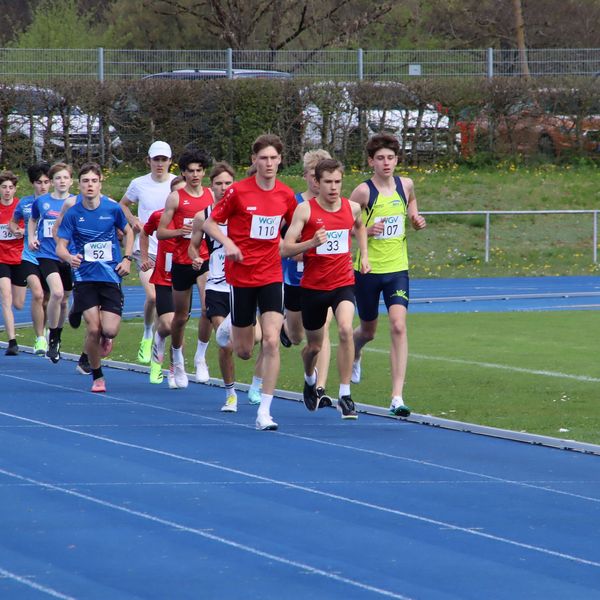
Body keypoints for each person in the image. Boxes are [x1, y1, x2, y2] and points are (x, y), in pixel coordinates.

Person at [202, 133, 297, 431]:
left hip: (271, 274)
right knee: (243, 351)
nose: (268, 163)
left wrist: (297, 246)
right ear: (254, 160)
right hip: (241, 276)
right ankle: (229, 326)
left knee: (271, 341)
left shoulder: (286, 195)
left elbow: (294, 227)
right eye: (263, 158)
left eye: (273, 158)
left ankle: (264, 412)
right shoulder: (238, 192)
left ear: (280, 160)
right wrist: (228, 243)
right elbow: (209, 223)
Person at [282, 158, 370, 419]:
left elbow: (360, 226)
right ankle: (310, 379)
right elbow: (285, 249)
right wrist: (310, 243)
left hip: (343, 283)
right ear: (317, 183)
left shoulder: (352, 207)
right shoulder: (305, 211)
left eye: (337, 182)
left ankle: (345, 395)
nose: (333, 187)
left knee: (345, 329)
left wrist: (364, 256)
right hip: (313, 288)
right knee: (313, 348)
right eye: (328, 182)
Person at [349, 133, 426, 417]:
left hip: (397, 269)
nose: (386, 163)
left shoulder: (406, 185)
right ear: (371, 161)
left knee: (398, 325)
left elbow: (412, 204)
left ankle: (397, 397)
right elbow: (341, 223)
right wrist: (365, 231)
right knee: (368, 331)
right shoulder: (362, 192)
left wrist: (416, 219)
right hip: (368, 270)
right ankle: (356, 350)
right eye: (380, 158)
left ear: (397, 160)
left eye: (390, 158)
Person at [56, 163, 133, 393]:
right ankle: (97, 376)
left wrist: (127, 258)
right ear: (79, 185)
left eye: (94, 181)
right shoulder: (73, 213)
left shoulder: (112, 209)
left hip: (110, 276)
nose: (90, 185)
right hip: (84, 277)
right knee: (93, 329)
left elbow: (129, 231)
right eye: (85, 181)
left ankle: (103, 333)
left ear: (100, 183)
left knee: (109, 330)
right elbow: (60, 246)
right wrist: (69, 257)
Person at [281, 149, 335, 406]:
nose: (317, 181)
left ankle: (320, 387)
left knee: (323, 331)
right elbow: (277, 238)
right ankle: (284, 327)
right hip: (295, 278)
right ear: (306, 176)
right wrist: (296, 251)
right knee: (296, 337)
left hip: (326, 279)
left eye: (321, 176)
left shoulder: (335, 203)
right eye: (313, 175)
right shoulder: (294, 204)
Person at [156, 148, 213, 389]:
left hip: (205, 260)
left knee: (208, 309)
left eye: (199, 170)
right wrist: (180, 231)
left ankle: (200, 357)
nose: (195, 175)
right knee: (180, 317)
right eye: (191, 171)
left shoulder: (211, 196)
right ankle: (177, 359)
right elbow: (160, 232)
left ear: (204, 172)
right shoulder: (175, 198)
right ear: (183, 173)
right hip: (181, 262)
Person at [119, 141, 175, 365]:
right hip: (146, 249)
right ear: (148, 161)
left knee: (167, 306)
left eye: (163, 160)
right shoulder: (138, 183)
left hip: (170, 252)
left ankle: (160, 346)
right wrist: (133, 219)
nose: (159, 164)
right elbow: (123, 204)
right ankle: (147, 333)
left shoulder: (176, 184)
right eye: (156, 160)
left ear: (170, 161)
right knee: (153, 296)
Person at [189, 162, 238, 411]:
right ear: (211, 186)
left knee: (250, 345)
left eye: (228, 183)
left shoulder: (243, 212)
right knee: (225, 341)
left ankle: (257, 383)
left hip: (242, 285)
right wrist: (196, 257)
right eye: (219, 183)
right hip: (216, 284)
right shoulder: (203, 216)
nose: (223, 188)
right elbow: (193, 246)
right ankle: (231, 394)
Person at [29, 162, 76, 363]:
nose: (62, 181)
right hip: (47, 254)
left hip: (69, 256)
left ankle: (56, 334)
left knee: (64, 300)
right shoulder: (42, 201)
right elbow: (33, 219)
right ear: (52, 181)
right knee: (56, 293)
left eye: (65, 177)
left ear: (71, 181)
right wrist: (32, 237)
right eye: (58, 178)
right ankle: (53, 337)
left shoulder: (77, 202)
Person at [140, 176, 185, 386]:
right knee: (167, 324)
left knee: (179, 325)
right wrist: (144, 258)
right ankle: (157, 340)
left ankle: (174, 368)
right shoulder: (159, 216)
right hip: (164, 278)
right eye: (177, 193)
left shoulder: (197, 217)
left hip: (185, 278)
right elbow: (144, 233)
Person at [9, 163, 51, 355]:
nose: (43, 186)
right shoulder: (25, 203)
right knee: (37, 294)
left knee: (48, 299)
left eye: (46, 182)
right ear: (33, 183)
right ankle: (40, 338)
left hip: (50, 256)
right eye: (39, 182)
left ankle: (46, 329)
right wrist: (16, 230)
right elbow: (12, 222)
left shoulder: (57, 203)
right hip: (29, 256)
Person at [0, 171, 25, 355]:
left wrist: (20, 231)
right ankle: (12, 341)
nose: (7, 191)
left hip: (19, 257)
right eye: (4, 187)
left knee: (19, 303)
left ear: (15, 189)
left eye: (10, 187)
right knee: (6, 297)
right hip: (1, 258)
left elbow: (31, 228)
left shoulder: (21, 207)